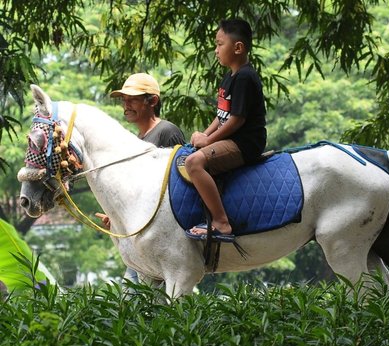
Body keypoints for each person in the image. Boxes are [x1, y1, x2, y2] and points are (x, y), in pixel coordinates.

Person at [96, 72, 185, 283]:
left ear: (152, 101)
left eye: (133, 100)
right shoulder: (138, 140)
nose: (126, 105)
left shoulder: (167, 131)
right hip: (141, 239)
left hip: (160, 240)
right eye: (124, 100)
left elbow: (174, 186)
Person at [185, 19, 267, 242]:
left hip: (244, 142)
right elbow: (221, 114)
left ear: (238, 47)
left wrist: (208, 141)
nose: (216, 50)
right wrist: (204, 135)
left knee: (193, 163)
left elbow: (236, 120)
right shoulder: (229, 76)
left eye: (220, 44)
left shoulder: (245, 77)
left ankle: (221, 222)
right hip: (230, 137)